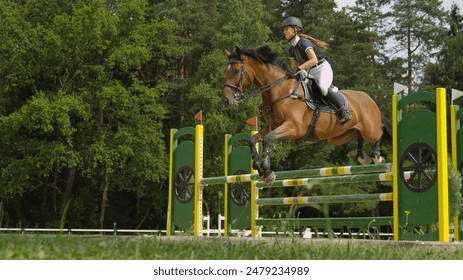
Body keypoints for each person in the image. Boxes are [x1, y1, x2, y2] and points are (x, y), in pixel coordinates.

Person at [282, 16, 351, 125]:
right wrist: (290, 74)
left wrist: (298, 69)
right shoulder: (291, 49)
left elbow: (313, 60)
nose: (284, 32)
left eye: (286, 29)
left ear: (296, 29)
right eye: (284, 30)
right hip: (310, 72)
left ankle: (344, 110)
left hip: (322, 68)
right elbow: (294, 68)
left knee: (323, 88)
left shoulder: (304, 43)